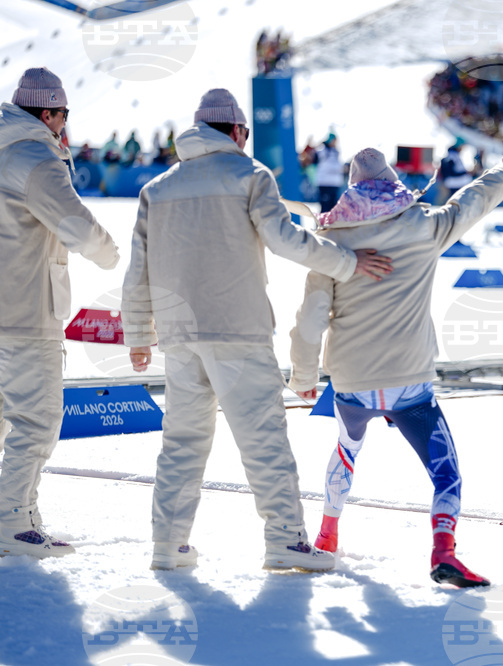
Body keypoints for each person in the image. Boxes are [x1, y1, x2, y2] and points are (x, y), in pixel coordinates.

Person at [121, 89, 392, 573]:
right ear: (236, 131)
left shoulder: (157, 188)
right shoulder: (250, 175)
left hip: (179, 333)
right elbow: (287, 240)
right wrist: (347, 262)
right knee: (263, 440)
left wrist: (138, 334)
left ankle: (168, 544)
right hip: (237, 330)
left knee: (181, 443)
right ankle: (285, 540)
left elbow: (137, 268)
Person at [288, 146, 503, 587]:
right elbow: (470, 203)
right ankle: (444, 552)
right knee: (446, 473)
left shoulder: (332, 242)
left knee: (345, 450)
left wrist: (303, 376)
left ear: (351, 189)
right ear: (394, 184)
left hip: (353, 382)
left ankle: (327, 538)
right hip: (410, 382)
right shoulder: (424, 226)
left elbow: (310, 318)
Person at [0, 67, 120, 558]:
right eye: (63, 114)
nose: (64, 125)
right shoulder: (35, 158)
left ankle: (16, 514)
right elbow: (78, 225)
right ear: (47, 112)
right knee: (37, 420)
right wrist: (112, 254)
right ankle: (14, 519)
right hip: (26, 310)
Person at [314, 132, 344, 213]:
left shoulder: (336, 152)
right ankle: (321, 225)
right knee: (325, 207)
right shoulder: (322, 150)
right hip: (325, 184)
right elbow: (313, 160)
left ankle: (331, 225)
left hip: (335, 184)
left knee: (333, 208)